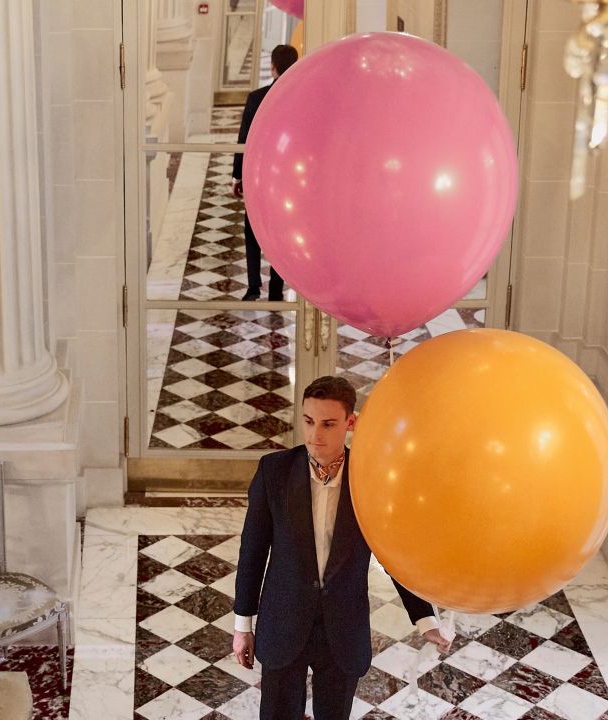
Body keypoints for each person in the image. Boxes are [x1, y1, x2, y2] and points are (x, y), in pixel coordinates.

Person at [233, 376, 451, 719]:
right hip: (284, 624)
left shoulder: (371, 478)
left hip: (343, 630)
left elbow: (391, 552)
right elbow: (252, 552)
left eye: (328, 424)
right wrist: (242, 626)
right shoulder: (273, 472)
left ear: (351, 423)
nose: (314, 435)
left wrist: (425, 619)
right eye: (307, 421)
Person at [232, 44, 298, 301]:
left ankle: (252, 286)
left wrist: (237, 176)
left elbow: (244, 140)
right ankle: (275, 289)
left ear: (273, 67)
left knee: (251, 230)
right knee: (280, 233)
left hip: (258, 176)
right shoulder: (301, 100)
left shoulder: (256, 98)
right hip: (287, 178)